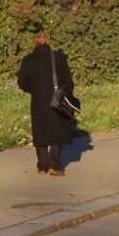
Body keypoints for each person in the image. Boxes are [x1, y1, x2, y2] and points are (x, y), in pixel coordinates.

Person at [17, 31, 74, 176]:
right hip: (56, 98)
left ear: (34, 43)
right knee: (57, 130)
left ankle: (42, 165)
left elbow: (22, 82)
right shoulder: (58, 57)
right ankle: (54, 166)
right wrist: (64, 93)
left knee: (40, 131)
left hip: (38, 100)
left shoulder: (28, 59)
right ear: (48, 41)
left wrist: (34, 90)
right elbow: (68, 81)